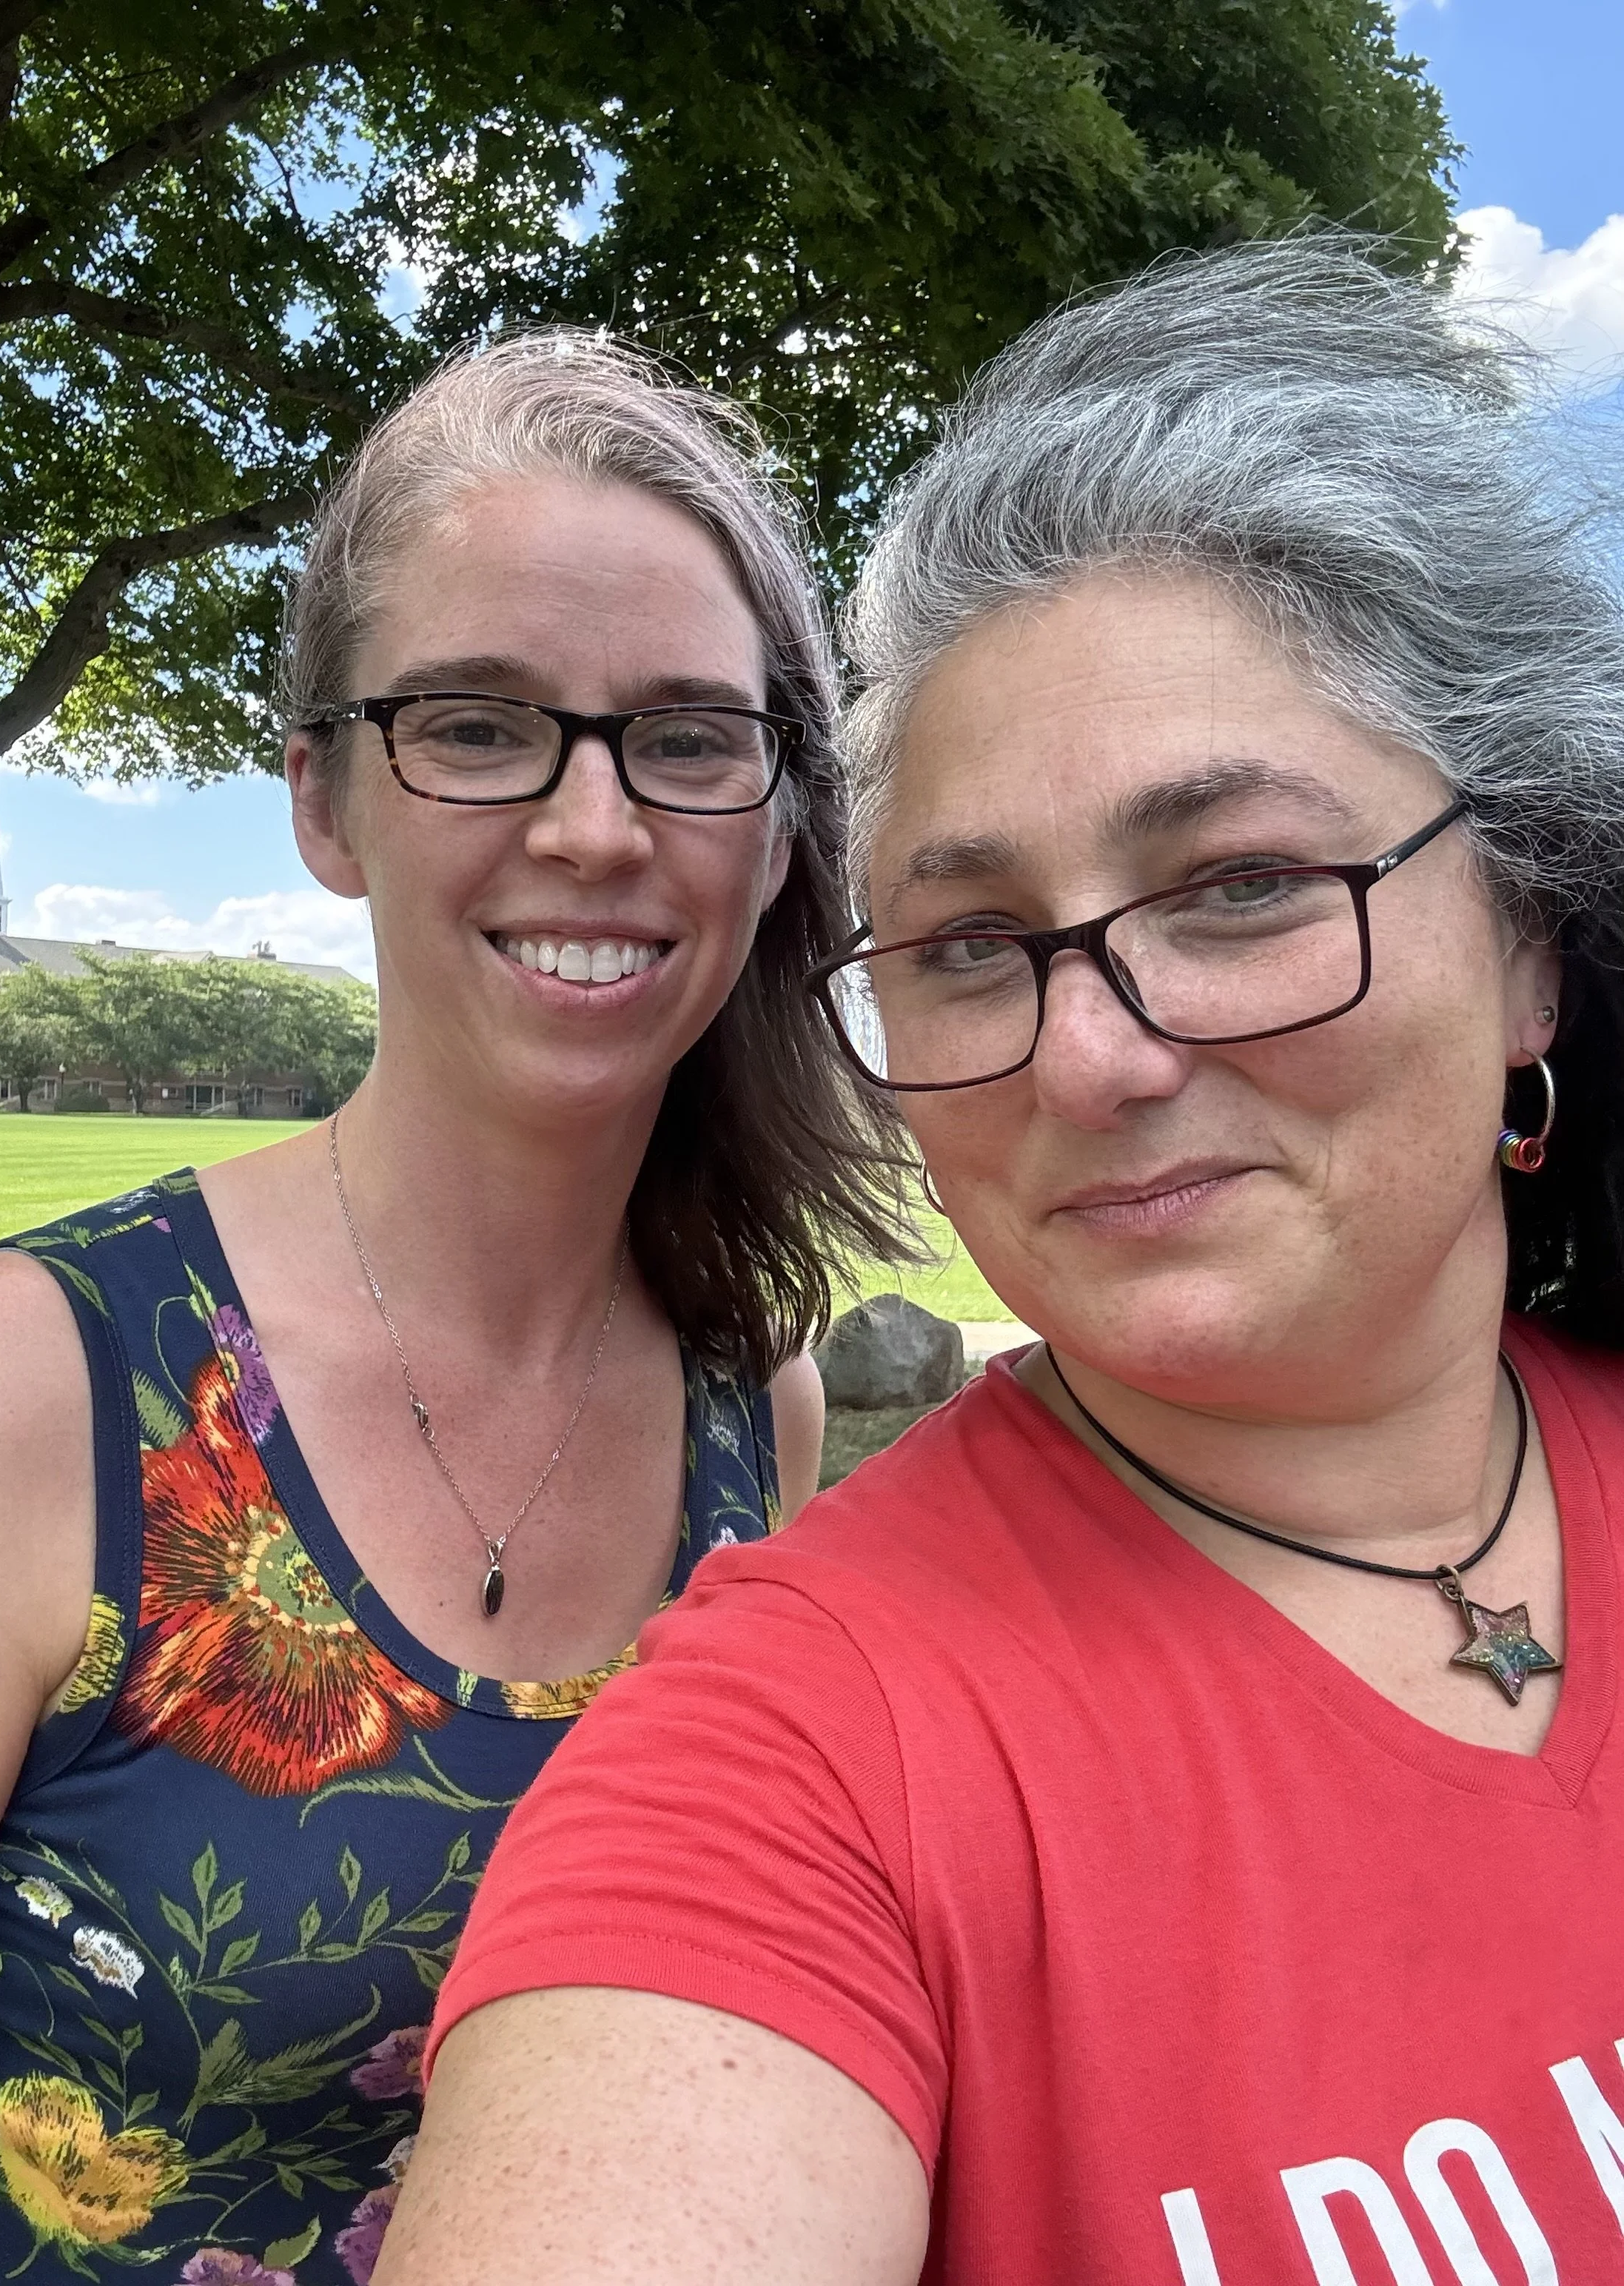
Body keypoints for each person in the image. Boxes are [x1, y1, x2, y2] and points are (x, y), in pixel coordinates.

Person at [378, 239, 1624, 2283]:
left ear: (1526, 947)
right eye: (967, 947)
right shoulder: (794, 1755)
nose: (1087, 1052)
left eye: (1235, 886)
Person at [0, 334, 910, 2283]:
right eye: (476, 722)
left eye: (686, 735)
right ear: (321, 799)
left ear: (777, 820)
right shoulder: (0, 1403)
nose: (595, 825)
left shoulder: (750, 1403)